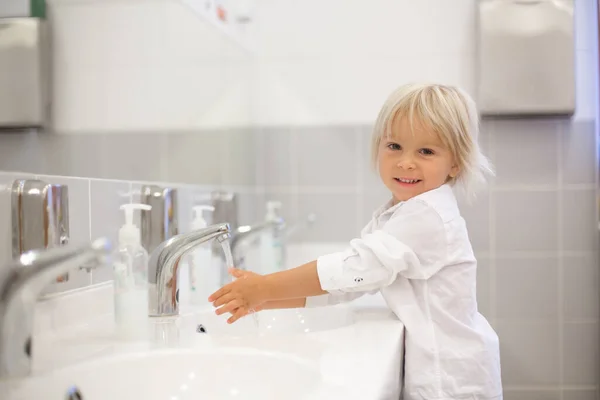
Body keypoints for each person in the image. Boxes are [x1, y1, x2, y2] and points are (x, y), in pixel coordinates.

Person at [209, 83, 503, 399]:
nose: (406, 162)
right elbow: (354, 284)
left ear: (455, 163)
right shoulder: (398, 214)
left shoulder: (427, 215)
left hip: (451, 379)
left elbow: (353, 269)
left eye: (426, 151)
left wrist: (266, 287)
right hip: (440, 370)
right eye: (394, 146)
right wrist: (265, 299)